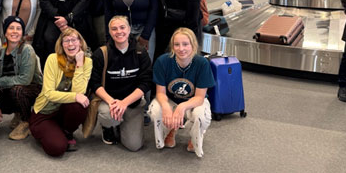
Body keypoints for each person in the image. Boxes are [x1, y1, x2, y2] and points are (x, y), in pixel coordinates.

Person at [89, 16, 153, 151]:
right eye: (114, 29)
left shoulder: (141, 52)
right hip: (109, 102)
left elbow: (146, 82)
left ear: (129, 30)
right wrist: (112, 103)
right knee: (108, 116)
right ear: (110, 32)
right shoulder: (101, 54)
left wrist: (124, 103)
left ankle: (122, 123)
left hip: (132, 102)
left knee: (134, 145)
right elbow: (94, 83)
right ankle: (108, 127)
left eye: (122, 27)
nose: (119, 32)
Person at [150, 27, 214, 158]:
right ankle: (170, 129)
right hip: (171, 98)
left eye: (185, 44)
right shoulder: (162, 61)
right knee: (155, 110)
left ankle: (194, 135)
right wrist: (167, 107)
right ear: (172, 46)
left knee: (201, 116)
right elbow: (160, 93)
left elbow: (200, 98)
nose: (181, 49)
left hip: (193, 101)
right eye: (177, 44)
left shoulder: (202, 63)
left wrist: (182, 107)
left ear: (193, 45)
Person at [30, 28, 92, 156]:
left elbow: (79, 91)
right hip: (45, 113)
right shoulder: (53, 59)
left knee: (80, 105)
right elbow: (49, 93)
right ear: (61, 44)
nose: (70, 44)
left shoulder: (87, 62)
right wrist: (75, 96)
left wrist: (79, 64)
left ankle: (66, 130)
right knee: (57, 149)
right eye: (66, 41)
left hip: (63, 112)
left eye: (74, 40)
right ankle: (51, 132)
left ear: (80, 42)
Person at [0, 16, 43, 140]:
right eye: (11, 28)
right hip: (10, 89)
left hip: (33, 89)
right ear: (5, 32)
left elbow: (25, 80)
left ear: (22, 33)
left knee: (17, 90)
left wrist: (0, 81)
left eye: (18, 29)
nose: (15, 31)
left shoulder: (27, 50)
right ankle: (18, 113)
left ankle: (26, 121)